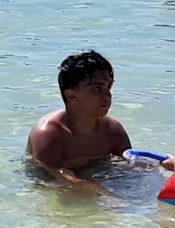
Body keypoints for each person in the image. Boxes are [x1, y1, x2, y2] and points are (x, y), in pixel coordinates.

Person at [26, 49, 133, 186]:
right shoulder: (48, 133)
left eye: (108, 87)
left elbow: (130, 170)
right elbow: (60, 177)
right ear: (72, 96)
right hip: (50, 185)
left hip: (94, 177)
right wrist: (106, 195)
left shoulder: (113, 130)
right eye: (96, 88)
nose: (107, 96)